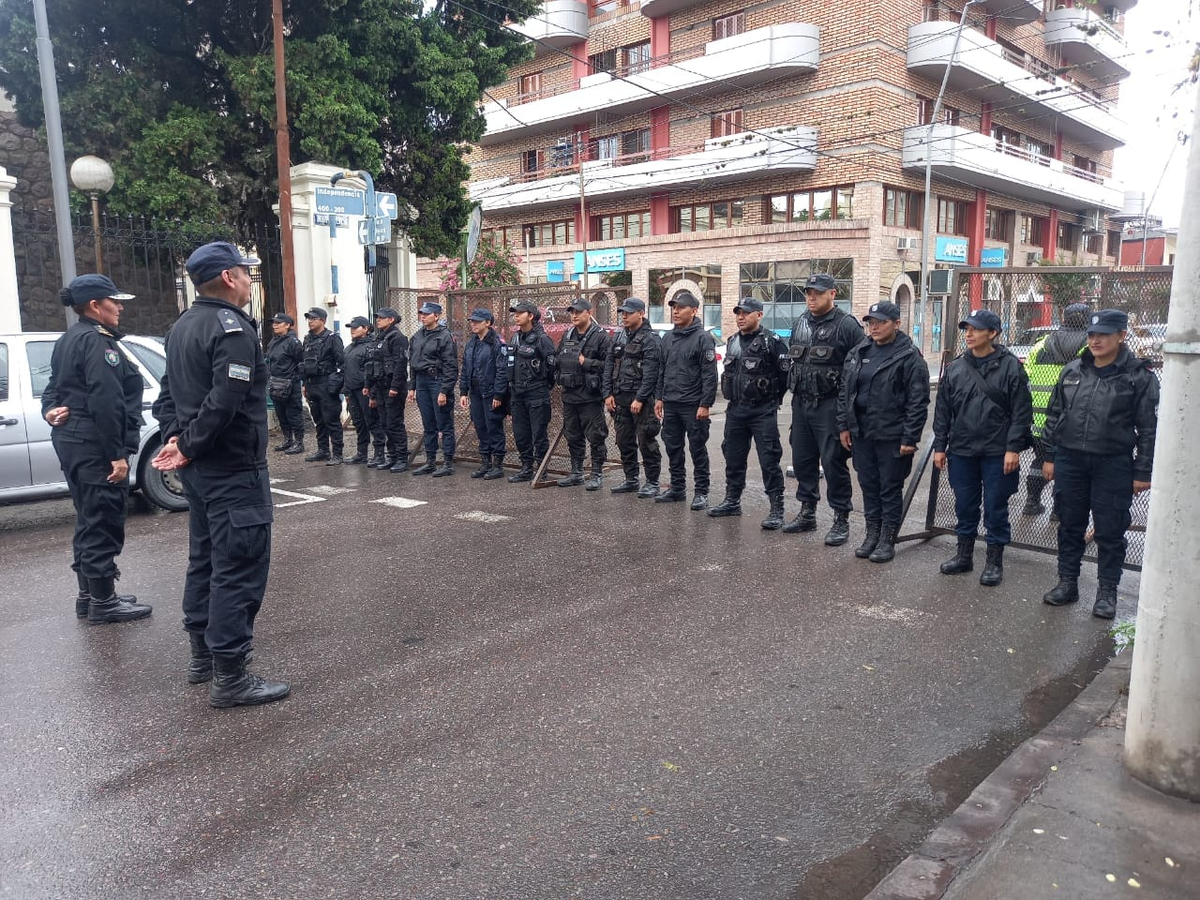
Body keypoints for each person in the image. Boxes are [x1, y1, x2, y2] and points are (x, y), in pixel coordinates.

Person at [151, 241, 289, 708]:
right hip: (232, 470)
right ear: (229, 278)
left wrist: (178, 441)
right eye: (246, 273)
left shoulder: (182, 326)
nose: (251, 280)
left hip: (203, 470)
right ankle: (230, 676)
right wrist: (185, 445)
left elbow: (167, 396)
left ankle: (202, 658)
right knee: (239, 568)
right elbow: (225, 403)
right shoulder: (231, 330)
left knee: (206, 560)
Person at [41, 274, 152, 624]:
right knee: (103, 518)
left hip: (75, 442)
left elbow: (53, 388)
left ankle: (90, 594)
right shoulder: (95, 342)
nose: (119, 307)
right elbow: (107, 403)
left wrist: (49, 409)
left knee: (89, 517)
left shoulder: (70, 338)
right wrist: (116, 454)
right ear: (94, 305)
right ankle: (104, 602)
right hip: (94, 446)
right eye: (114, 301)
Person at [1040, 309, 1158, 619]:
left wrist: (1142, 471)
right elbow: (1055, 416)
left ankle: (1107, 592)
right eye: (1092, 334)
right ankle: (1067, 583)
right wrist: (1049, 456)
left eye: (1103, 334)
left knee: (1109, 530)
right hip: (1070, 460)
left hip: (1113, 463)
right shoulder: (1072, 370)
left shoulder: (1138, 376)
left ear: (1121, 335)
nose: (1095, 340)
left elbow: (1148, 428)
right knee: (1069, 525)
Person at [932, 309, 1034, 586]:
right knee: (964, 505)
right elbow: (943, 411)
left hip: (996, 452)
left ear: (993, 333)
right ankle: (964, 556)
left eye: (976, 329)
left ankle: (993, 562)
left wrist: (1013, 448)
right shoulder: (955, 368)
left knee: (995, 507)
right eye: (967, 329)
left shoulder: (1011, 366)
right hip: (962, 450)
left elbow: (1022, 412)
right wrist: (940, 446)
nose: (969, 334)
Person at [838, 302, 929, 563]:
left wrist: (910, 437)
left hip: (892, 434)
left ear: (896, 323)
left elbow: (917, 400)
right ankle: (871, 534)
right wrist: (844, 425)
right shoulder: (859, 352)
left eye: (881, 322)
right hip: (863, 431)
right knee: (868, 485)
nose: (874, 327)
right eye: (870, 322)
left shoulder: (908, 356)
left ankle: (887, 539)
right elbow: (845, 392)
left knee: (889, 487)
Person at [783, 272, 865, 545]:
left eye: (817, 293)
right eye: (808, 293)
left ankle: (841, 519)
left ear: (833, 293)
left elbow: (857, 374)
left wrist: (846, 416)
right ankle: (807, 512)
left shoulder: (847, 326)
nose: (811, 297)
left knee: (833, 462)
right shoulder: (801, 323)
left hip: (830, 405)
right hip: (802, 403)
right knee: (803, 460)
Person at [707, 297, 789, 524]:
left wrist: (772, 401)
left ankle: (776, 509)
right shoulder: (732, 341)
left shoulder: (773, 342)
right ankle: (732, 501)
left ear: (759, 315)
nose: (740, 317)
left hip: (762, 411)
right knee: (733, 457)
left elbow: (784, 379)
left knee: (769, 460)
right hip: (736, 410)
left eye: (746, 313)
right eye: (738, 313)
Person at [1021, 303, 1089, 516]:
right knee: (1068, 465)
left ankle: (1032, 502)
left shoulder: (1041, 345)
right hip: (1073, 420)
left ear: (1063, 318)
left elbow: (1026, 376)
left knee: (1039, 460)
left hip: (1039, 418)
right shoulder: (1090, 346)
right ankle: (1058, 510)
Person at [654, 291, 718, 510]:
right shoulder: (668, 338)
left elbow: (710, 375)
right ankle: (677, 488)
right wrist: (659, 397)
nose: (676, 311)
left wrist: (705, 404)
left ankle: (701, 492)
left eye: (681, 307)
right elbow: (662, 369)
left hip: (693, 405)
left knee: (697, 448)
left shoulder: (703, 338)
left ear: (694, 310)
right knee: (673, 447)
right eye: (674, 307)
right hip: (671, 403)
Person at [602, 297, 662, 498]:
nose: (624, 316)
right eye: (623, 312)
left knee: (646, 439)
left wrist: (641, 398)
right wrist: (607, 394)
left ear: (641, 313)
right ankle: (631, 479)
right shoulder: (619, 337)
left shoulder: (651, 339)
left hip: (641, 401)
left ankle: (653, 482)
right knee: (623, 439)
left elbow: (652, 372)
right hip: (620, 398)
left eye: (629, 312)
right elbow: (609, 364)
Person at [555, 298, 612, 490]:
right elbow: (558, 359)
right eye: (572, 312)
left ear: (589, 312)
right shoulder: (567, 334)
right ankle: (576, 472)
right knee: (573, 435)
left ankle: (596, 474)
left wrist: (586, 362)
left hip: (590, 396)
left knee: (596, 436)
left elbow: (609, 366)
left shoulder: (600, 337)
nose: (574, 315)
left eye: (578, 311)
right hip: (570, 394)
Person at [505, 300, 559, 483]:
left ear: (531, 316)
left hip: (536, 392)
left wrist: (545, 385)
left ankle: (541, 470)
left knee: (539, 434)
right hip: (517, 393)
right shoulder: (515, 338)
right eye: (515, 313)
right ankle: (526, 468)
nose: (516, 316)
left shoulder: (542, 339)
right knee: (521, 434)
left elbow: (552, 366)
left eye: (520, 313)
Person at [407, 300, 458, 476]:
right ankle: (430, 461)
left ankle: (448, 462)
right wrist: (412, 387)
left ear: (436, 316)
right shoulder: (417, 336)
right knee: (428, 424)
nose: (423, 316)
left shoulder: (445, 336)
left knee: (444, 423)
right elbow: (413, 363)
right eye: (421, 313)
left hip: (437, 380)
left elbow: (451, 366)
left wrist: (444, 390)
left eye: (426, 314)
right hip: (421, 382)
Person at [459, 308, 509, 480]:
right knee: (480, 425)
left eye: (477, 321)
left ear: (488, 323)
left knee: (493, 425)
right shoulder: (472, 342)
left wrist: (498, 394)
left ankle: (497, 465)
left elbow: (502, 370)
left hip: (490, 392)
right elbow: (465, 368)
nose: (473, 324)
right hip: (476, 392)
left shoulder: (497, 342)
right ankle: (485, 463)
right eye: (472, 321)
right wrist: (463, 391)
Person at [365, 307, 410, 472]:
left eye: (382, 318)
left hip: (393, 388)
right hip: (381, 386)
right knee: (385, 424)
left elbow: (400, 365)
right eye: (377, 317)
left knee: (394, 423)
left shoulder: (398, 338)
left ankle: (402, 459)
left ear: (391, 319)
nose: (378, 320)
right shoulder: (380, 338)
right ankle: (392, 457)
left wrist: (395, 387)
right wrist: (371, 389)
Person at [300, 307, 345, 465]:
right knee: (318, 420)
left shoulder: (332, 338)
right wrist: (305, 384)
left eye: (314, 318)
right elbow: (304, 362)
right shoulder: (307, 339)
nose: (310, 321)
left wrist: (336, 383)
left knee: (331, 419)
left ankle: (338, 453)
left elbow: (342, 363)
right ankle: (323, 450)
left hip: (327, 384)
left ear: (323, 320)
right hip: (312, 384)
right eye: (309, 318)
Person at [342, 316, 384, 465]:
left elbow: (373, 372)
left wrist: (372, 394)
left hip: (365, 391)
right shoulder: (349, 348)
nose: (352, 330)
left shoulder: (371, 346)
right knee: (359, 423)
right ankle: (362, 453)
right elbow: (345, 370)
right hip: (352, 391)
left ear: (366, 329)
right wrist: (346, 392)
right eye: (351, 328)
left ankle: (379, 453)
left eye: (356, 327)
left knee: (372, 421)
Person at [265, 313, 305, 455]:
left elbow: (301, 362)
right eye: (274, 322)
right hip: (276, 383)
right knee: (281, 413)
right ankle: (288, 439)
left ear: (287, 325)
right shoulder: (273, 342)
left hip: (290, 383)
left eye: (278, 323)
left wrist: (298, 379)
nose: (274, 325)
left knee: (294, 413)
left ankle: (299, 442)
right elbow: (269, 360)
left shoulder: (293, 342)